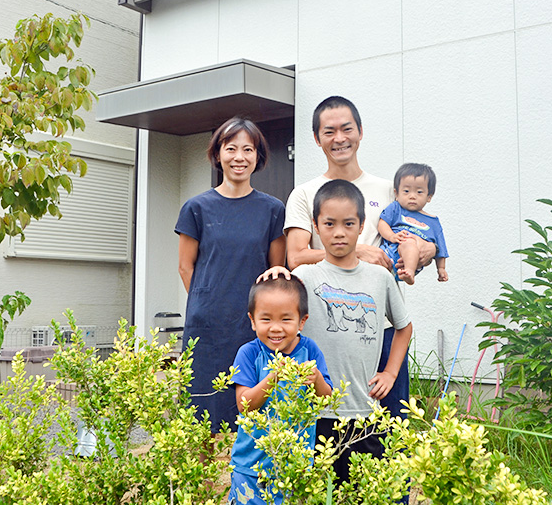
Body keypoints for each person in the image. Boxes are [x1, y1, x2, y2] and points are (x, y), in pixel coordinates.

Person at [284, 95, 433, 418]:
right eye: (329, 131)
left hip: (381, 328)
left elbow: (420, 234)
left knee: (390, 431)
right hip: (327, 332)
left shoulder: (388, 190)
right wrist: (359, 250)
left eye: (346, 129)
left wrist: (429, 250)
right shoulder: (305, 194)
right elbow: (295, 257)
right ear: (316, 138)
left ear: (360, 132)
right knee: (327, 425)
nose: (339, 138)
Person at [287, 179, 413, 484]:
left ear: (362, 226)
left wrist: (391, 374)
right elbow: (280, 312)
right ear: (316, 226)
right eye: (329, 223)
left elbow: (404, 327)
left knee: (362, 491)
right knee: (315, 492)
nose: (339, 232)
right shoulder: (303, 275)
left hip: (365, 413)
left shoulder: (379, 277)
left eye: (348, 223)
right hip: (313, 415)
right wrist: (276, 274)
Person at [175, 117, 286, 433]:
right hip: (207, 326)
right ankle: (204, 478)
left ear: (258, 156)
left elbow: (275, 273)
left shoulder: (272, 209)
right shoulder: (196, 207)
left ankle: (250, 476)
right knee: (202, 411)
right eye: (231, 148)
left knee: (254, 404)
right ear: (218, 153)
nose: (239, 157)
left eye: (248, 149)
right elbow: (186, 267)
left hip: (253, 325)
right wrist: (207, 302)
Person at [229, 276, 333, 505]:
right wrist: (273, 377)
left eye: (286, 319)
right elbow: (244, 405)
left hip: (296, 466)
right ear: (252, 320)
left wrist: (316, 379)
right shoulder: (248, 353)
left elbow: (326, 400)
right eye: (266, 319)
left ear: (302, 321)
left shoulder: (310, 351)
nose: (276, 328)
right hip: (251, 467)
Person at [379, 163, 449, 285]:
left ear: (429, 197)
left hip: (416, 261)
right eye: (406, 191)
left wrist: (441, 269)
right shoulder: (396, 208)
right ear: (396, 193)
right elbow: (382, 223)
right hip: (389, 253)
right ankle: (408, 272)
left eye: (419, 192)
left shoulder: (433, 221)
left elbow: (441, 248)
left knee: (410, 242)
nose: (412, 196)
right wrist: (392, 236)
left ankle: (409, 273)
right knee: (408, 241)